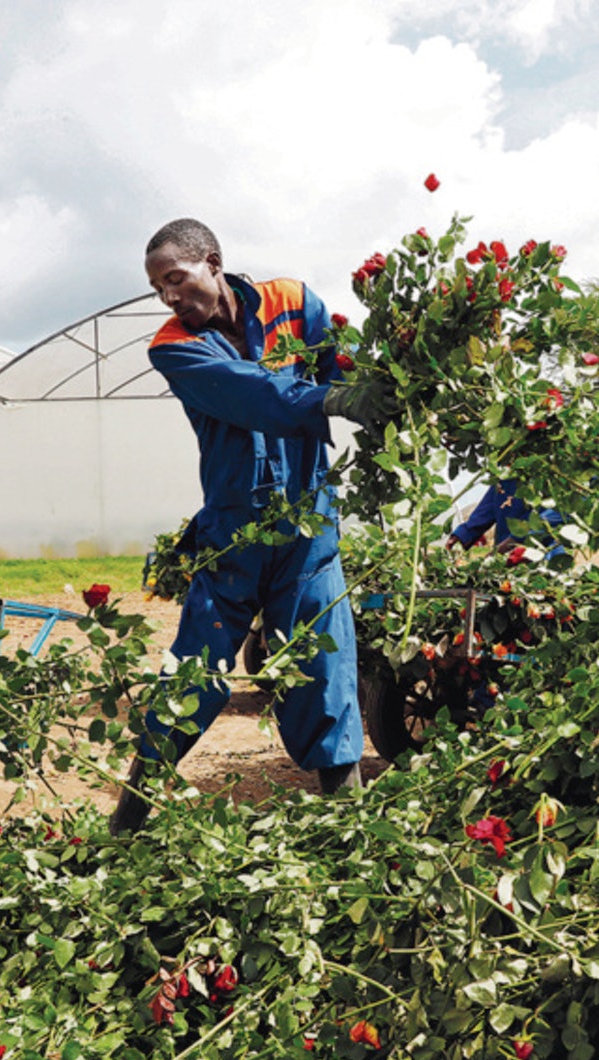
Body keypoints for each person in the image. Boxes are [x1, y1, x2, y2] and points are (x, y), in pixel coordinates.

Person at [111, 218, 392, 835]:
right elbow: (256, 394)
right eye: (159, 289)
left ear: (212, 261)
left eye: (176, 280)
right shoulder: (172, 346)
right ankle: (126, 825)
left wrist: (382, 394)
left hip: (309, 530)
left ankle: (349, 830)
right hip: (234, 536)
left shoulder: (293, 301)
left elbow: (338, 367)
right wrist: (332, 401)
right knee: (196, 672)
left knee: (325, 666)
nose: (170, 298)